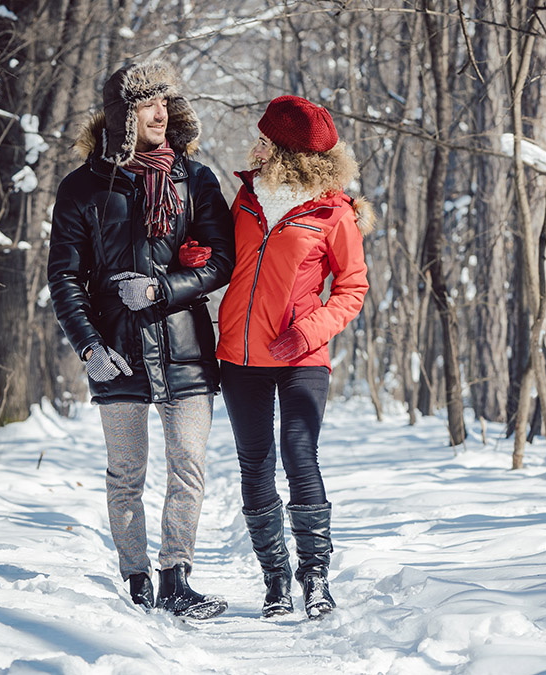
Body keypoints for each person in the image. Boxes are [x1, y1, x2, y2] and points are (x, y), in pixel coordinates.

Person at [47, 62, 234, 619]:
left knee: (188, 468)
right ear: (120, 115)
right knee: (125, 473)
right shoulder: (82, 187)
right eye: (147, 103)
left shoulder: (195, 178)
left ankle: (177, 578)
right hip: (117, 349)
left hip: (186, 348)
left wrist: (161, 288)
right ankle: (136, 582)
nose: (160, 113)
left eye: (166, 102)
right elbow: (64, 276)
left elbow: (223, 260)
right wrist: (88, 345)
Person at [216, 95, 373, 620]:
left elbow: (352, 289)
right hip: (239, 355)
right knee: (255, 466)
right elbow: (224, 262)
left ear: (284, 150)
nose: (253, 145)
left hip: (302, 355)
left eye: (263, 139)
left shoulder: (332, 212)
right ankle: (275, 583)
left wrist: (307, 333)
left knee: (300, 456)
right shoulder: (243, 199)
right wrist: (200, 258)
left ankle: (317, 580)